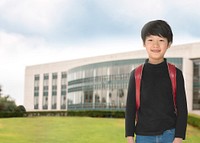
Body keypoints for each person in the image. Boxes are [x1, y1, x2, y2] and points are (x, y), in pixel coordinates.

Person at [125, 20, 188, 143]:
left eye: (161, 40)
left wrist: (178, 137)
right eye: (150, 40)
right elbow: (130, 108)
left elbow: (182, 108)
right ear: (144, 43)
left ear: (169, 44)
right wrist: (130, 137)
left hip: (169, 135)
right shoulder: (136, 74)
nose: (155, 45)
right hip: (143, 137)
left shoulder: (175, 74)